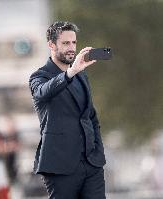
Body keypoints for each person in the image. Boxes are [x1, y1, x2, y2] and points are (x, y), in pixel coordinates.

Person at [29, 21, 106, 199]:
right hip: (60, 166)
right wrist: (70, 72)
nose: (71, 48)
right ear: (51, 44)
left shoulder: (82, 76)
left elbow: (91, 116)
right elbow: (42, 92)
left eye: (74, 43)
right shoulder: (39, 76)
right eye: (65, 43)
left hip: (91, 163)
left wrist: (97, 152)